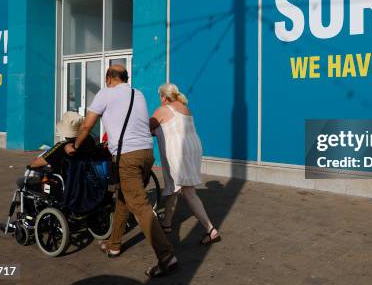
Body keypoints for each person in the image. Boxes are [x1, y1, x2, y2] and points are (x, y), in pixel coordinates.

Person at [69, 65, 178, 278]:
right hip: (146, 154)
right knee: (123, 198)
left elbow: (86, 126)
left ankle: (166, 256)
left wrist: (75, 146)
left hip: (127, 157)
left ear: (109, 78)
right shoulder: (138, 94)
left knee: (139, 205)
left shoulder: (105, 93)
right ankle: (114, 244)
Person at [150, 83, 221, 245]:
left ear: (164, 96)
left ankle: (210, 230)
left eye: (160, 96)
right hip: (193, 147)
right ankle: (166, 224)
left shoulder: (163, 110)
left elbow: (146, 128)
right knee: (176, 186)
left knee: (188, 192)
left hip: (179, 150)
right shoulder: (184, 108)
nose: (159, 99)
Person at [18, 111, 97, 189]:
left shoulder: (62, 146)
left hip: (64, 185)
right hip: (86, 183)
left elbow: (35, 164)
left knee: (22, 180)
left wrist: (31, 164)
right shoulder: (90, 140)